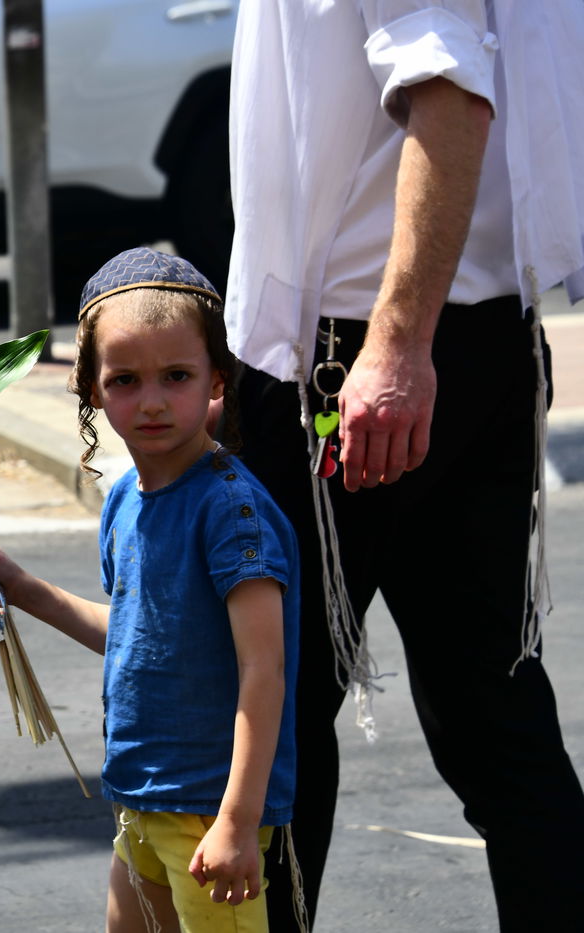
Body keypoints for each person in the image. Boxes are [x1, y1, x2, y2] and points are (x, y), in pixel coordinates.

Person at [225, 3, 584, 930]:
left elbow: (448, 90)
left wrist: (396, 345)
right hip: (434, 338)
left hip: (365, 355)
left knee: (274, 717)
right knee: (490, 710)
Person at [0, 248, 300, 933]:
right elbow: (134, 636)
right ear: (90, 388)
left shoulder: (231, 511)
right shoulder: (124, 499)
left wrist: (238, 820)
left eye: (177, 376)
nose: (151, 401)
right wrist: (24, 589)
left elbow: (264, 670)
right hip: (140, 797)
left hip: (207, 809)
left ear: (217, 380)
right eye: (124, 380)